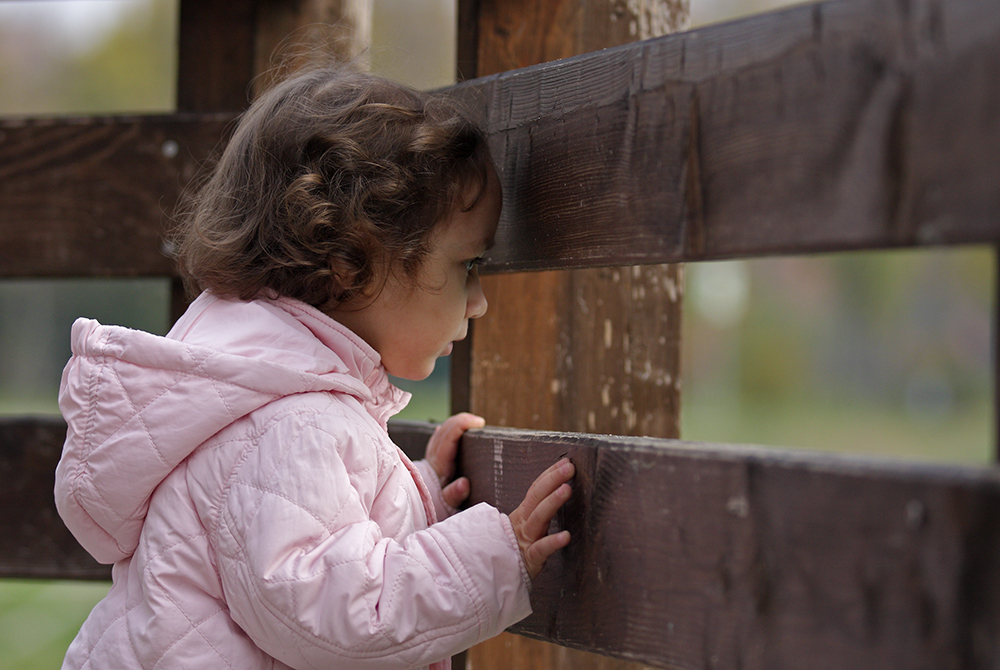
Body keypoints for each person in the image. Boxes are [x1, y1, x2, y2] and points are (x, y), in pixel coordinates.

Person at [54, 66, 575, 670]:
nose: (480, 301)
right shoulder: (292, 422)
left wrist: (417, 490)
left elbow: (317, 540)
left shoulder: (264, 397)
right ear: (354, 263)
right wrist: (493, 553)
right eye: (468, 266)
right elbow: (329, 613)